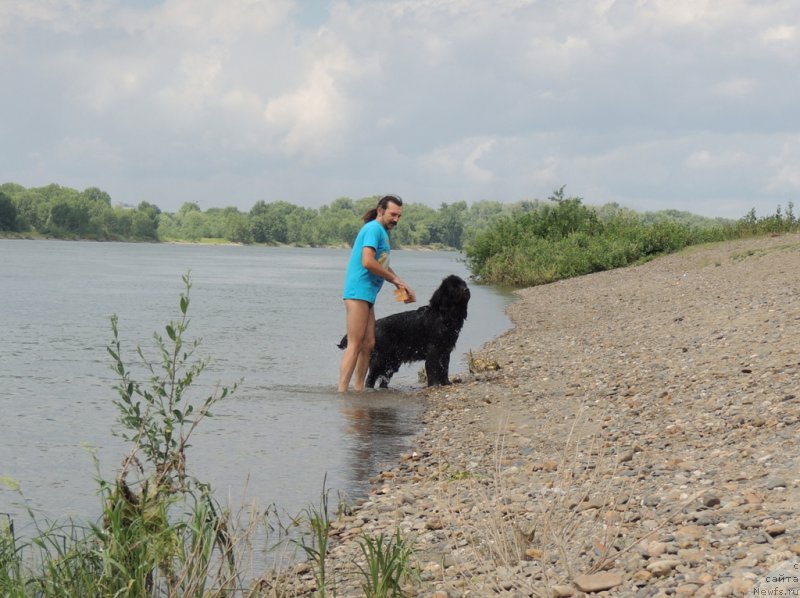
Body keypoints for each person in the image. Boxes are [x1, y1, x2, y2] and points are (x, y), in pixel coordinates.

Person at [338, 195, 416, 392]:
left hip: (368, 295)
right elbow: (367, 261)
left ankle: (358, 389)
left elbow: (381, 264)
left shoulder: (381, 232)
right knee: (355, 344)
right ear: (380, 211)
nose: (396, 219)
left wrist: (400, 283)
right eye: (393, 214)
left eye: (399, 216)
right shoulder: (373, 229)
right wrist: (395, 281)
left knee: (369, 343)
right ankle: (342, 391)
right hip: (358, 292)